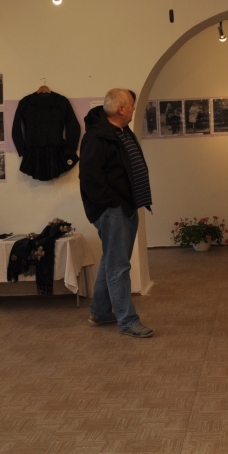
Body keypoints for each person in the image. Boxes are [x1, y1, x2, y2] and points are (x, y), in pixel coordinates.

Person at [79, 88, 154, 338]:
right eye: (131, 104)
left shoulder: (121, 131)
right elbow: (90, 179)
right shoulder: (97, 137)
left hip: (127, 206)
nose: (133, 108)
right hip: (114, 210)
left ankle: (100, 312)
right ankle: (127, 320)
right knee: (118, 267)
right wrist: (114, 203)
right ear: (121, 109)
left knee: (111, 261)